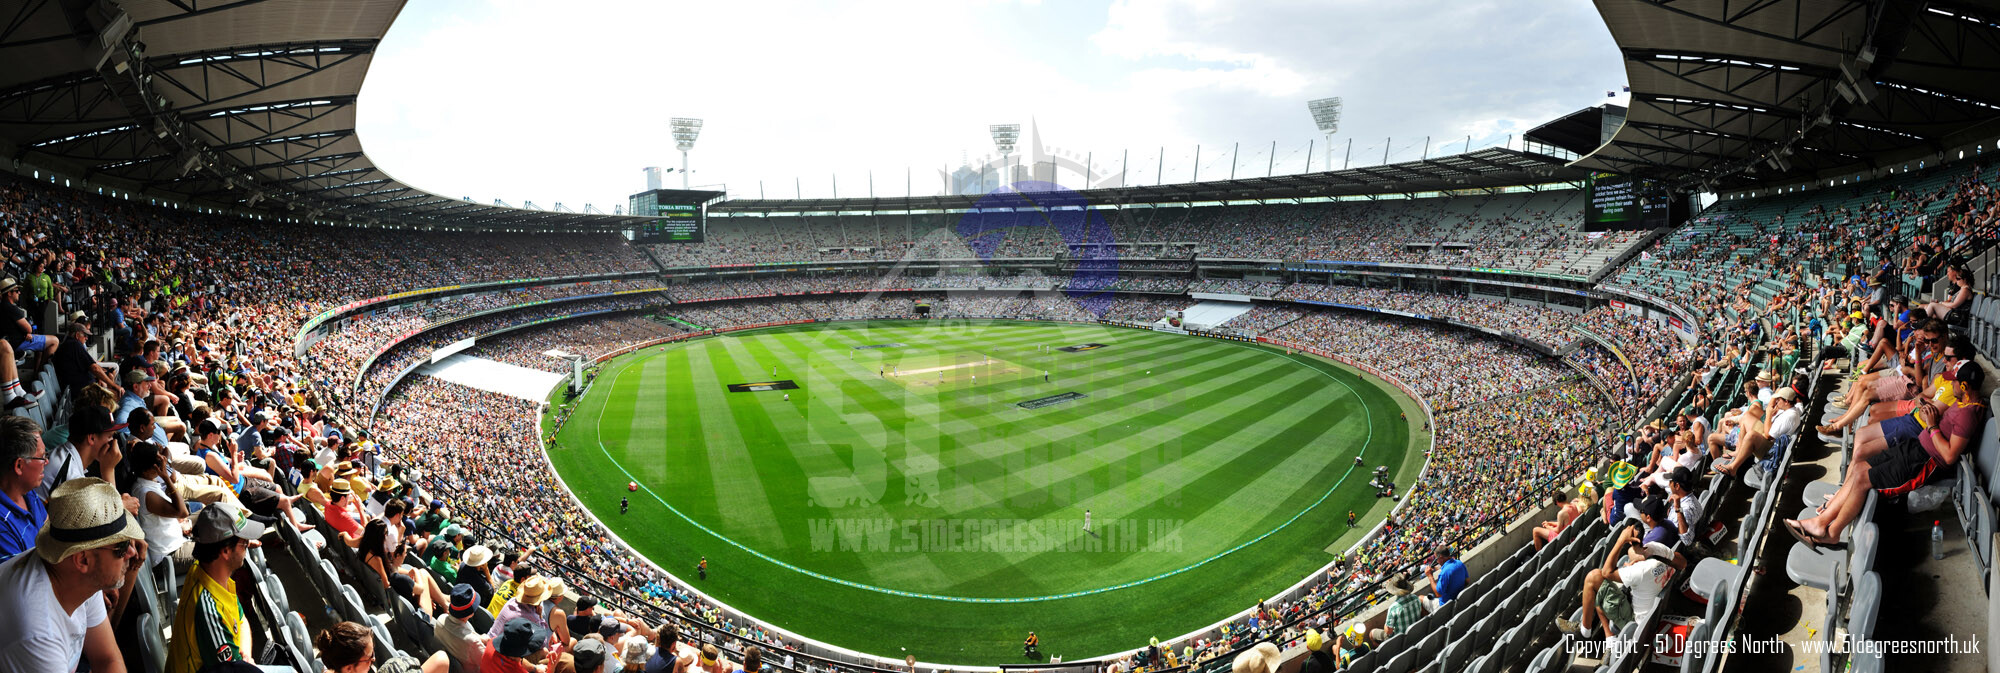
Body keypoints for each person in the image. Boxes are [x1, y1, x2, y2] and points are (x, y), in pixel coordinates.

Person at [0, 477, 143, 673]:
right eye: (121, 546)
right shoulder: (38, 634)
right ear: (83, 560)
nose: (132, 553)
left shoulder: (79, 576)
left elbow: (106, 657)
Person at [166, 500, 267, 673]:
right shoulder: (208, 610)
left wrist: (246, 658)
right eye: (244, 543)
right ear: (226, 551)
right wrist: (246, 665)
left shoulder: (207, 572)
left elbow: (241, 620)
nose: (248, 546)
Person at [1558, 525, 1683, 640]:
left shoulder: (1640, 570)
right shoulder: (1657, 550)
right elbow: (1682, 563)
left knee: (1593, 578)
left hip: (1636, 622)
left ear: (1632, 542)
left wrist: (1620, 540)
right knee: (1603, 587)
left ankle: (1584, 631)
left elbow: (1606, 572)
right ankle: (1609, 638)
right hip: (1652, 611)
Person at [0, 414, 47, 561]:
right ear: (19, 466)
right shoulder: (2, 528)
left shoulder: (28, 493)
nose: (47, 461)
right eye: (42, 457)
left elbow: (47, 527)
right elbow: (18, 582)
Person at [435, 584, 490, 673]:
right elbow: (487, 663)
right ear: (471, 613)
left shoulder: (440, 619)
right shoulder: (473, 642)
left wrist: (479, 638)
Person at [485, 618, 554, 673]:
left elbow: (518, 660)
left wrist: (535, 669)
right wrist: (551, 670)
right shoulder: (517, 670)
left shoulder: (491, 643)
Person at [1420, 546, 1467, 613]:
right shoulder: (1459, 563)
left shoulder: (1444, 572)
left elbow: (1438, 594)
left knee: (1420, 598)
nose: (1436, 561)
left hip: (1445, 606)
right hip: (1459, 600)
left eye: (1436, 558)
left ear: (1441, 557)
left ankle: (1432, 620)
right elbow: (1467, 581)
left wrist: (1430, 576)